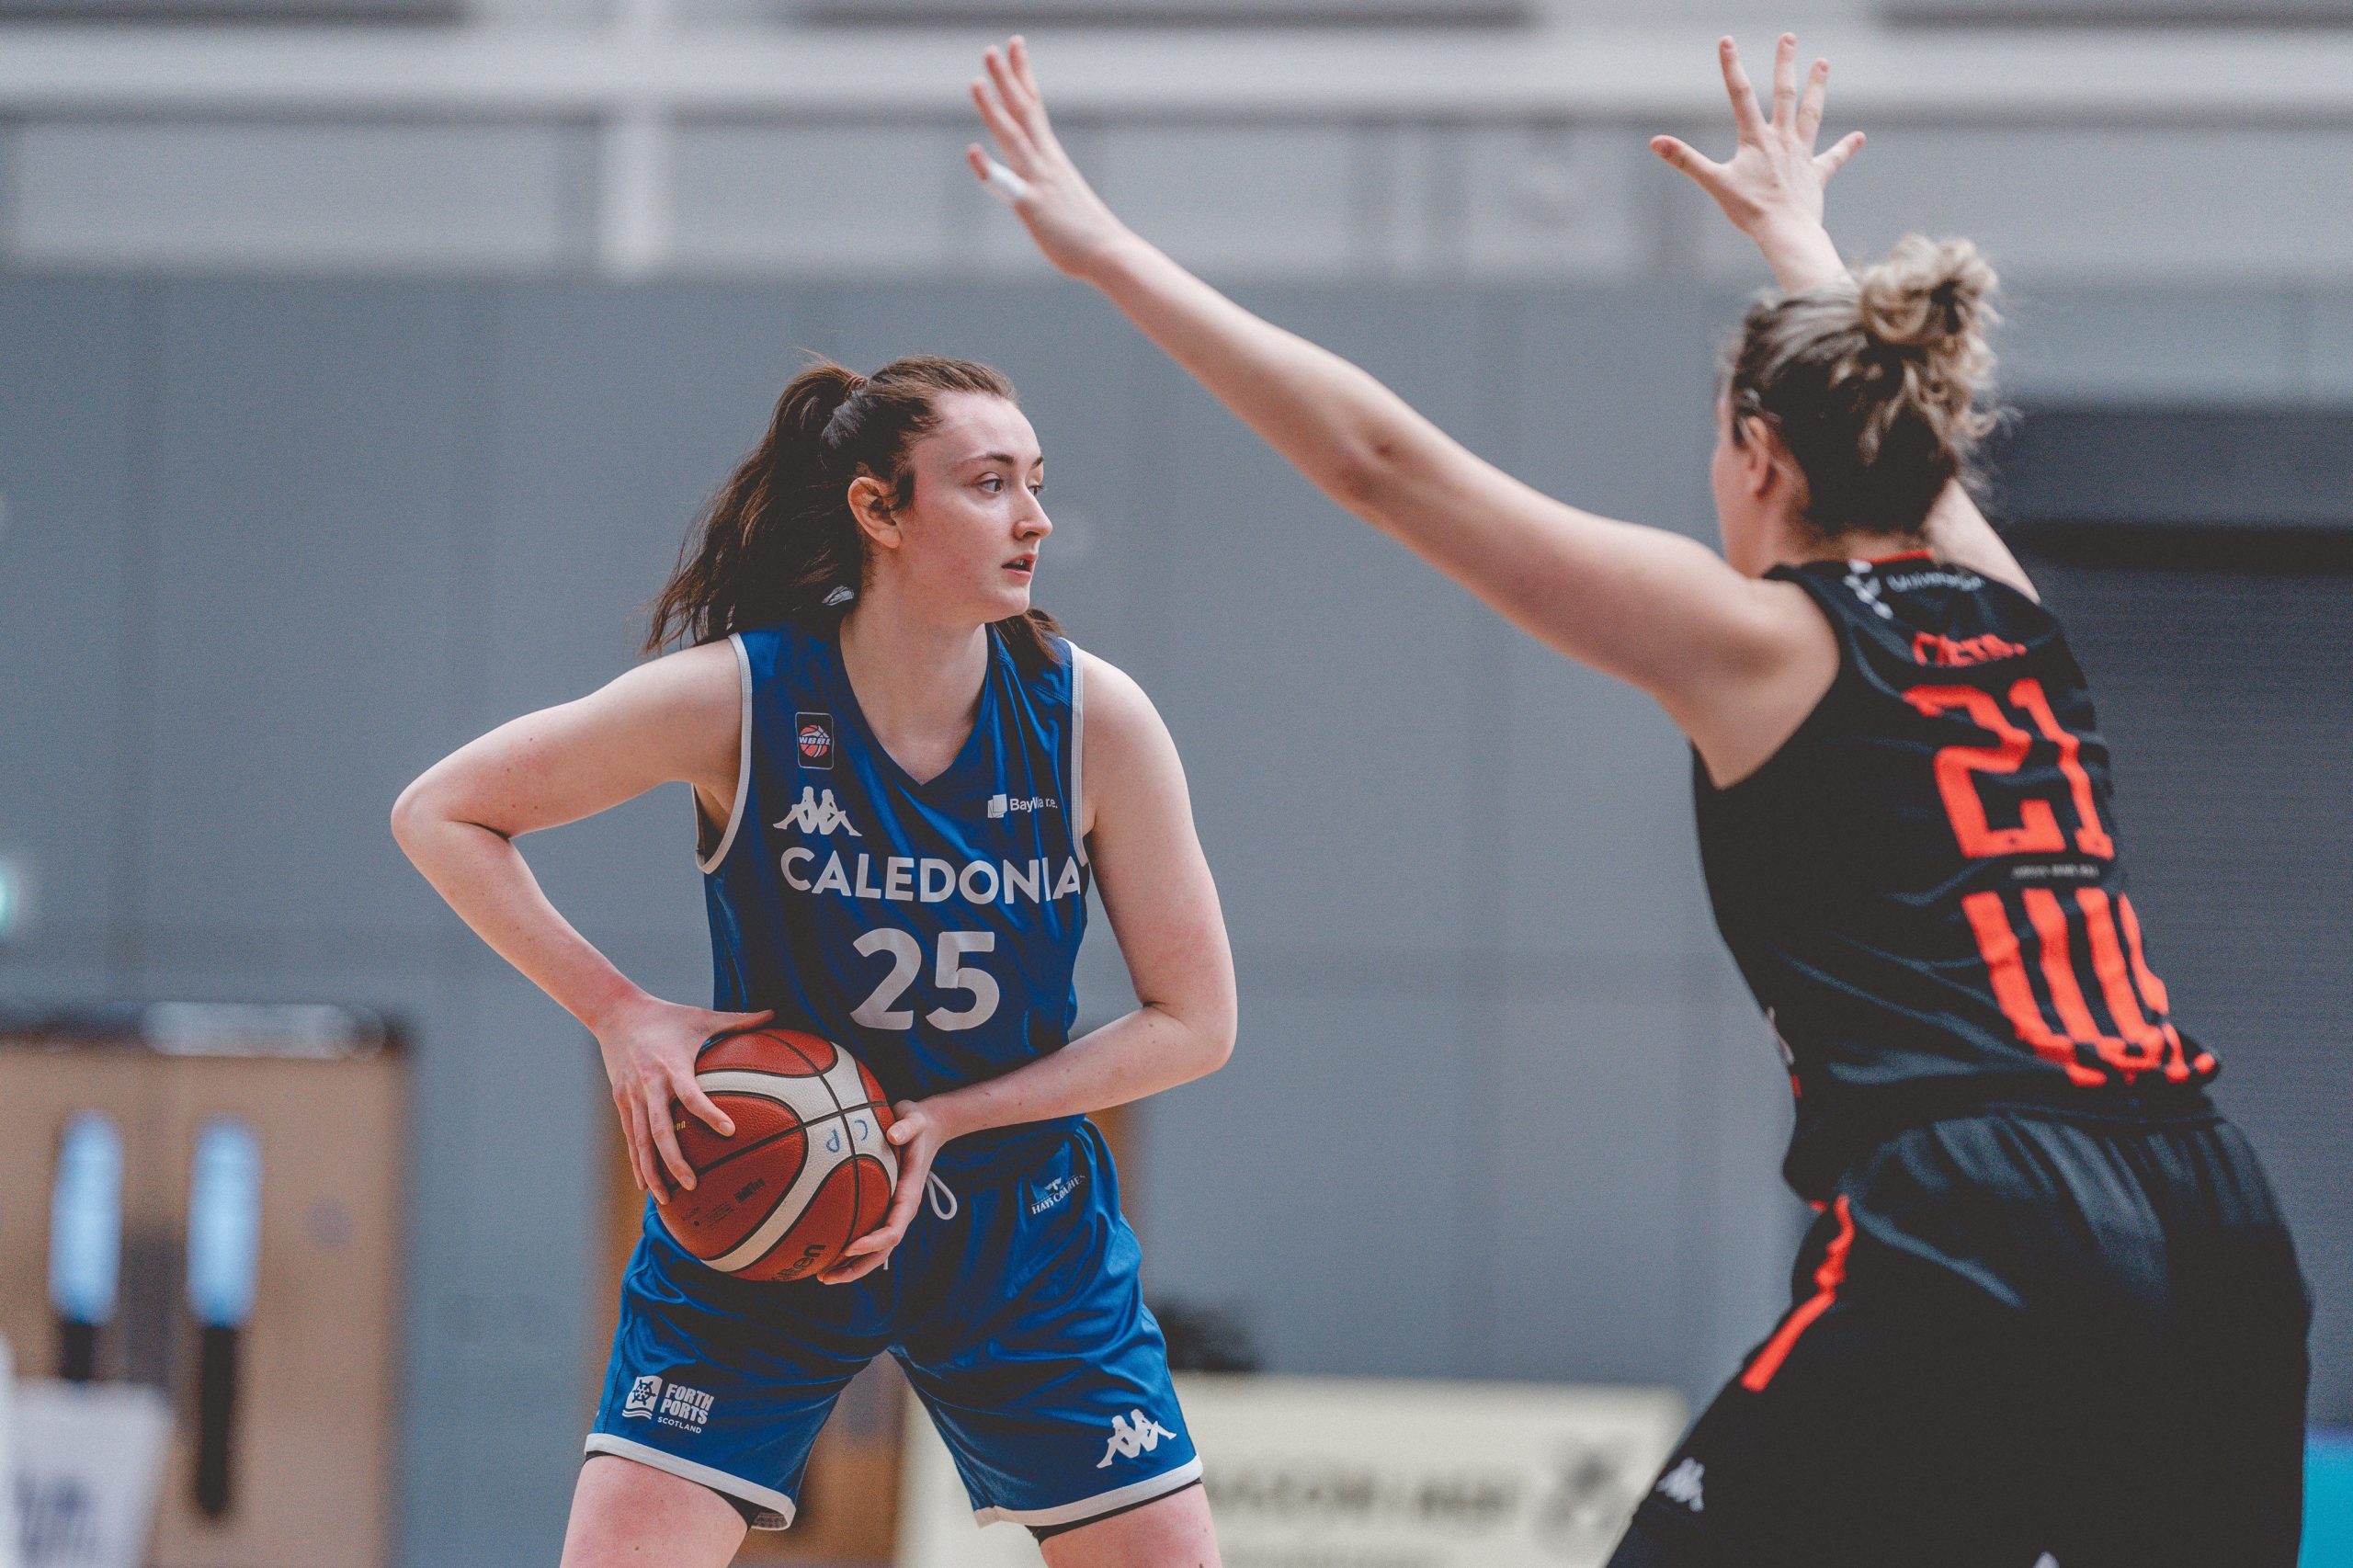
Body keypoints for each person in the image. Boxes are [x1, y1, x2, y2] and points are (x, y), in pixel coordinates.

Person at [967, 32, 2309, 1568]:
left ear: (1756, 453)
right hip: (2213, 1212)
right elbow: (1897, 444)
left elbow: (1382, 463)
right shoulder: (2011, 613)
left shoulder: (1762, 638)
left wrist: (1111, 252)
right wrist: (1795, 235)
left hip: (1984, 1206)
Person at [392, 354, 1234, 1567]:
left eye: (1036, 483)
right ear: (880, 509)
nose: (1036, 517)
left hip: (1016, 1223)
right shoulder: (743, 698)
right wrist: (620, 1011)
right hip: (771, 1201)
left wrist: (950, 1114)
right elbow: (442, 811)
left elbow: (1195, 1021)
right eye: (990, 483)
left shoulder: (1092, 719)